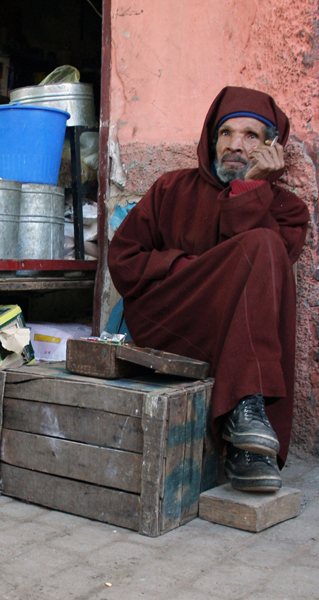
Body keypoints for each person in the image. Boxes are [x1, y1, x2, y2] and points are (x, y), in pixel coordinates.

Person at [107, 87, 309, 492]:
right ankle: (247, 427)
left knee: (265, 248)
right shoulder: (172, 189)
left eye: (252, 136)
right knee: (261, 247)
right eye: (226, 133)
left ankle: (246, 425)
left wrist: (251, 190)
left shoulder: (288, 211)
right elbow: (123, 260)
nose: (235, 145)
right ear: (211, 139)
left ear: (273, 147)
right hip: (167, 320)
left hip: (229, 336)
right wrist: (184, 268)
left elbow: (268, 284)